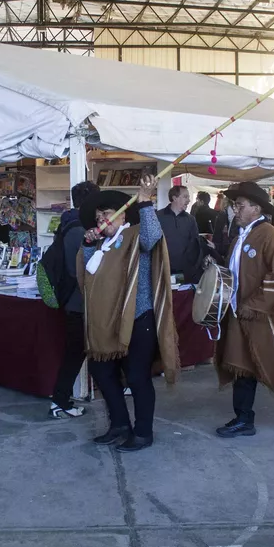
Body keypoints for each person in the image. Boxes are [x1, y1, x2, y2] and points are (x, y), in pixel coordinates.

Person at [76, 177, 179, 452]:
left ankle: (143, 432)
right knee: (103, 372)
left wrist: (145, 203)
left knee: (136, 378)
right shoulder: (101, 246)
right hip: (106, 326)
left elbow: (152, 237)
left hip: (137, 321)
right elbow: (85, 279)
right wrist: (87, 246)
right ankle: (120, 424)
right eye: (98, 217)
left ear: (122, 216)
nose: (101, 220)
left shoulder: (134, 235)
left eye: (106, 214)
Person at [215, 183, 274, 438]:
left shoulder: (270, 236)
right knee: (241, 365)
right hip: (238, 312)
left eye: (240, 206)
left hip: (261, 314)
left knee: (269, 363)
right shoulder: (239, 237)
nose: (236, 210)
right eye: (235, 206)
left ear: (256, 209)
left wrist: (254, 304)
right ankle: (244, 418)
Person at [49, 180, 99, 419]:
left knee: (78, 351)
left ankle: (61, 398)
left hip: (76, 302)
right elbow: (79, 270)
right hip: (79, 303)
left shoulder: (69, 224)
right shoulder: (79, 230)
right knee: (75, 353)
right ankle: (59, 400)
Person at [156, 185, 203, 283]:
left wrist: (191, 270)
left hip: (184, 274)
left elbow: (196, 246)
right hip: (161, 271)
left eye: (188, 197)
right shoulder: (157, 217)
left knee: (180, 297)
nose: (189, 200)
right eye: (185, 197)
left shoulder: (191, 220)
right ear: (174, 198)